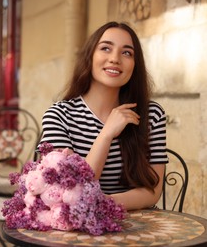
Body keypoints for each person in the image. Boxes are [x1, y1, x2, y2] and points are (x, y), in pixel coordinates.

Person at [39, 21, 168, 210]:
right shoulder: (59, 116)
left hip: (138, 227)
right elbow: (72, 190)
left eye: (127, 53)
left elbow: (152, 193)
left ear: (135, 65)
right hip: (74, 229)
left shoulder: (151, 115)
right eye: (106, 48)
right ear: (90, 56)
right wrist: (106, 134)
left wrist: (101, 204)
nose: (115, 58)